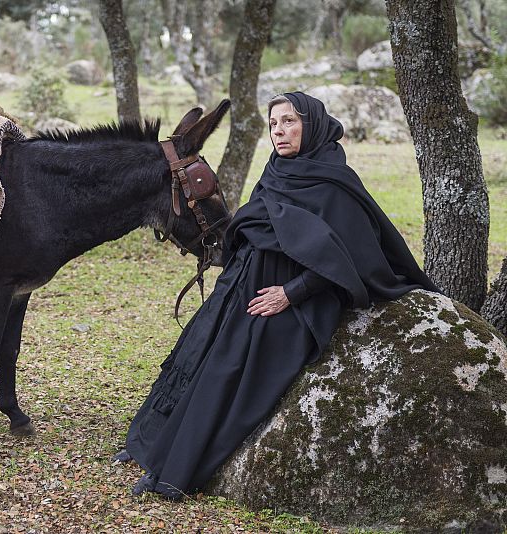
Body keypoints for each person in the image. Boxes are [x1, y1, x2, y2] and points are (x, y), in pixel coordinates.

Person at [118, 91, 439, 500]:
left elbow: (352, 257)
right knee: (196, 350)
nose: (279, 131)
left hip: (293, 301)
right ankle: (150, 443)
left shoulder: (335, 183)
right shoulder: (275, 171)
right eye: (273, 124)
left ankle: (175, 470)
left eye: (289, 121)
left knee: (231, 370)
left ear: (312, 123)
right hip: (242, 285)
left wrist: (291, 292)